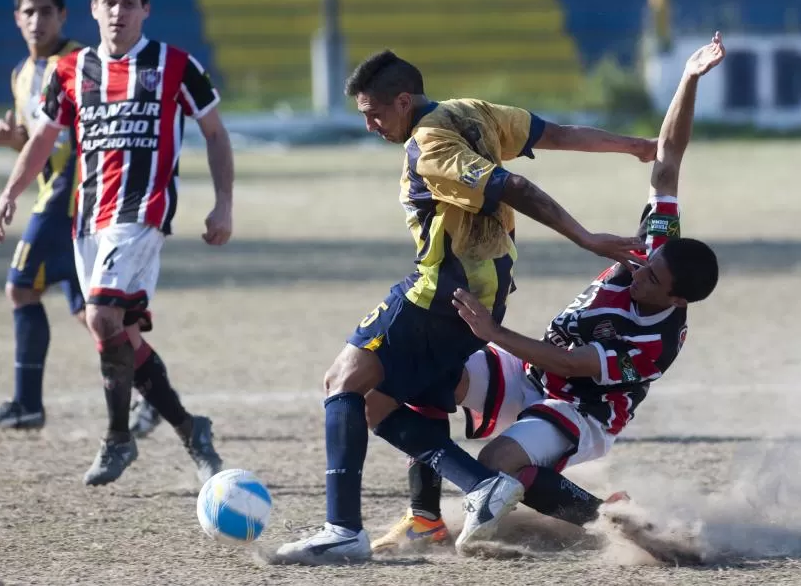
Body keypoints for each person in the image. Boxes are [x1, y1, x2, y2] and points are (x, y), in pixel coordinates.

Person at [275, 49, 661, 564]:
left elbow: (515, 186)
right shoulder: (469, 111)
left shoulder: (429, 145)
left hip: (437, 293)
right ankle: (434, 513)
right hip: (485, 298)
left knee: (342, 382)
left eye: (373, 113)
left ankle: (346, 528)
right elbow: (554, 133)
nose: (368, 125)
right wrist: (634, 146)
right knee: (389, 401)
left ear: (404, 100)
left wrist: (586, 237)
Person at [371, 33, 726, 554]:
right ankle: (425, 518)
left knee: (498, 463)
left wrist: (493, 333)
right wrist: (689, 79)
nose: (638, 270)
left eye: (651, 278)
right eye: (647, 261)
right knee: (424, 373)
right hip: (529, 373)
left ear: (676, 301)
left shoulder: (654, 345)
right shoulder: (656, 253)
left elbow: (571, 363)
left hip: (579, 410)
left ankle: (610, 518)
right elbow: (669, 157)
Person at [0, 0, 233, 487]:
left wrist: (223, 203)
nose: (118, 12)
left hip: (141, 213)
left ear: (145, 8)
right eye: (109, 2)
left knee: (100, 316)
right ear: (94, 9)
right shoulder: (71, 72)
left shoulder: (174, 65)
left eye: (128, 2)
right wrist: (10, 192)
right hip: (87, 217)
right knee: (118, 333)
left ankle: (118, 437)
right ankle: (192, 430)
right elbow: (43, 140)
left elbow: (215, 132)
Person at [0, 0, 87, 430]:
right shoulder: (21, 74)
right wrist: (11, 141)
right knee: (91, 313)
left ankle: (27, 402)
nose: (37, 20)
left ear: (63, 16)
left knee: (20, 286)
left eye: (46, 11)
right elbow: (37, 136)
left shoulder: (80, 62)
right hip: (52, 188)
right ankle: (154, 397)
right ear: (17, 19)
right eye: (28, 12)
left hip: (74, 190)